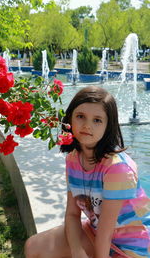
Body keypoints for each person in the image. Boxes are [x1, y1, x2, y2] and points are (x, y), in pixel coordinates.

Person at [24, 86, 150, 258]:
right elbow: (72, 214)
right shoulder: (73, 159)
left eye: (97, 120)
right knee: (34, 246)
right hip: (96, 232)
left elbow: (106, 234)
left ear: (108, 125)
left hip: (131, 247)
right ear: (69, 119)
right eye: (80, 116)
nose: (87, 125)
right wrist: (77, 251)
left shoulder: (118, 169)